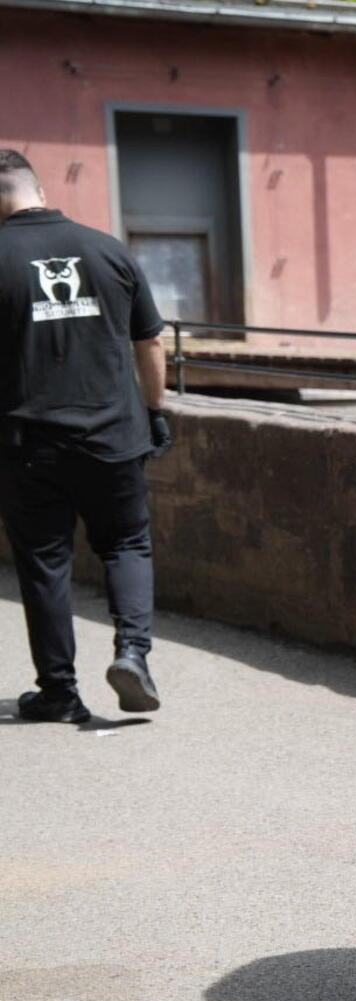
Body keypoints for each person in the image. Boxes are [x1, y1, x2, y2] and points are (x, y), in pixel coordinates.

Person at [0, 149, 168, 723]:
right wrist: (156, 410)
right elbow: (150, 342)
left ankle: (59, 692)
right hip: (114, 435)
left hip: (28, 444)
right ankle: (133, 653)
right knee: (125, 543)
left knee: (45, 563)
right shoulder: (108, 249)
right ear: (39, 189)